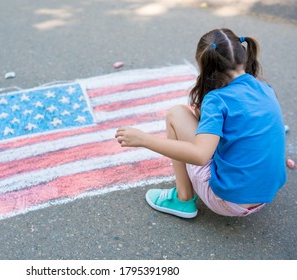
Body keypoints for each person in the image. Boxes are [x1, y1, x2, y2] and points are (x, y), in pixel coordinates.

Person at [115, 28, 287, 218]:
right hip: (264, 195)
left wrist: (144, 139)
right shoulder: (264, 88)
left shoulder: (217, 99)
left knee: (176, 114)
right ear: (243, 54)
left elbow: (200, 156)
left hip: (229, 201)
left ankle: (183, 199)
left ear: (206, 66)